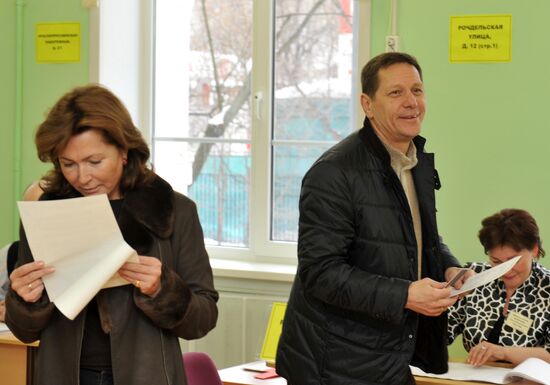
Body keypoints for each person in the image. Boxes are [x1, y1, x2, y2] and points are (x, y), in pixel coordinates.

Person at [276, 52, 470, 385]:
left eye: (417, 91)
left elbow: (417, 237)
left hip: (388, 357)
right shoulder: (334, 172)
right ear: (368, 104)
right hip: (334, 366)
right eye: (396, 93)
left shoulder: (414, 161)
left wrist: (449, 266)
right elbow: (320, 272)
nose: (411, 102)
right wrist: (406, 294)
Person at [5, 84, 219, 385]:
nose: (82, 176)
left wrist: (163, 289)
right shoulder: (46, 213)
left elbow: (203, 318)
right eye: (68, 164)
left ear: (124, 151)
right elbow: (25, 331)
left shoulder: (174, 211)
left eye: (94, 161)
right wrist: (24, 299)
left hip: (149, 376)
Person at [448, 208, 550, 366]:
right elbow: (440, 332)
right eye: (496, 261)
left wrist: (503, 352)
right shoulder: (474, 277)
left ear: (535, 250)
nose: (506, 270)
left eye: (513, 261)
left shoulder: (547, 288)